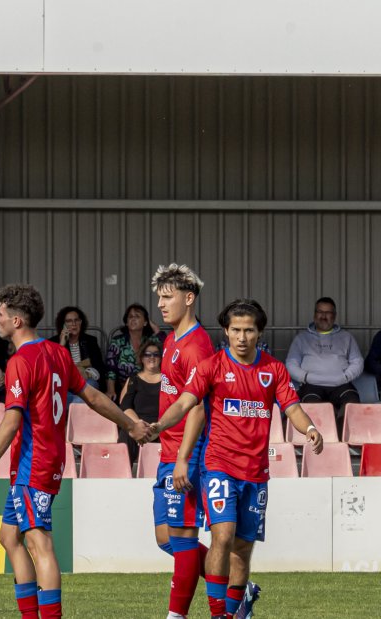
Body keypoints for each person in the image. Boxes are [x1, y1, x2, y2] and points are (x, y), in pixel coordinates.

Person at [0, 284, 148, 619]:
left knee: (40, 544)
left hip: (33, 463)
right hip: (48, 458)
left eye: (1, 313)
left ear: (17, 320)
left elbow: (11, 420)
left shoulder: (20, 361)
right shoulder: (57, 353)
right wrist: (130, 424)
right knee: (9, 538)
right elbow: (93, 397)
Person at [147, 299, 324, 619]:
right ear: (226, 332)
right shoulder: (211, 367)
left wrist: (309, 428)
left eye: (249, 331)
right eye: (236, 330)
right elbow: (187, 403)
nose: (242, 337)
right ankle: (218, 615)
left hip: (255, 473)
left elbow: (292, 408)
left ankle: (232, 613)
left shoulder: (274, 370)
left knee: (242, 552)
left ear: (259, 333)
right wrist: (161, 426)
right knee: (222, 536)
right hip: (218, 468)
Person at [149, 263, 216, 619]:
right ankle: (237, 585)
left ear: (188, 298)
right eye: (159, 297)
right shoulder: (171, 339)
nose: (161, 304)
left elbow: (199, 410)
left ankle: (177, 616)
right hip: (170, 449)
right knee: (166, 538)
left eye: (167, 297)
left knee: (184, 537)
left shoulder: (197, 346)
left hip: (186, 453)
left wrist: (184, 458)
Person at [285, 297, 364, 426]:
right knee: (312, 407)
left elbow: (358, 361)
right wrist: (305, 377)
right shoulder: (302, 338)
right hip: (311, 384)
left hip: (340, 384)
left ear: (334, 316)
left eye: (328, 313)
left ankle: (342, 438)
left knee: (352, 404)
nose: (323, 316)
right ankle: (321, 439)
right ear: (314, 315)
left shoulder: (346, 337)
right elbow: (291, 363)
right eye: (320, 312)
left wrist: (345, 377)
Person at [105, 304, 165, 400]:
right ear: (126, 322)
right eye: (130, 317)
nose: (133, 319)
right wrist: (110, 390)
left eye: (137, 316)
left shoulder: (150, 341)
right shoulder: (118, 341)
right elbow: (110, 369)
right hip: (124, 388)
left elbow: (167, 348)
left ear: (145, 322)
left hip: (148, 386)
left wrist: (156, 329)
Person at [117, 337, 163, 459]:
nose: (151, 357)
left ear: (161, 357)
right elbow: (125, 405)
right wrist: (138, 425)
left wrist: (158, 427)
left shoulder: (169, 380)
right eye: (147, 354)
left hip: (162, 426)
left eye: (156, 354)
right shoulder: (134, 379)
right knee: (126, 434)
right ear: (142, 358)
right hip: (138, 425)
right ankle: (122, 475)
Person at [49, 305, 106, 392]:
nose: (74, 324)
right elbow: (52, 369)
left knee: (91, 384)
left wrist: (87, 373)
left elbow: (99, 368)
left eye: (76, 320)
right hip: (65, 383)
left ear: (81, 322)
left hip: (86, 381)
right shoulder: (53, 342)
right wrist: (61, 345)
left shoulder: (90, 341)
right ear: (63, 324)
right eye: (69, 321)